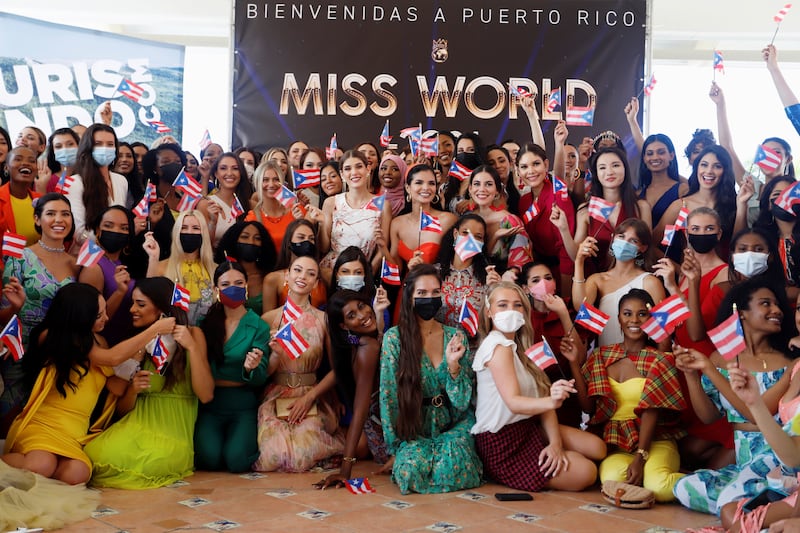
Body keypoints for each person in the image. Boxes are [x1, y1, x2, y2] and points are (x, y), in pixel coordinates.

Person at [2, 283, 175, 484]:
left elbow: (115, 387)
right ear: (80, 316)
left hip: (75, 433)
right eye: (99, 315)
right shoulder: (53, 336)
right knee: (41, 465)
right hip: (43, 425)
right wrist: (153, 330)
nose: (107, 318)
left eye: (105, 312)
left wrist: (138, 358)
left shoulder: (101, 342)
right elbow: (110, 359)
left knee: (77, 474)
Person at [673, 278, 796, 515]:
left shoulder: (790, 362)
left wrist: (709, 368)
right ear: (742, 314)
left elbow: (756, 412)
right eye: (766, 304)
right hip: (743, 461)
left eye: (778, 305)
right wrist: (691, 375)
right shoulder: (722, 358)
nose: (777, 311)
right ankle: (760, 502)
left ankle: (755, 502)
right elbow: (709, 416)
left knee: (729, 500)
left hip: (777, 455)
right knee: (685, 488)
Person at [471, 281, 603, 492]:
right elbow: (514, 403)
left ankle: (560, 455)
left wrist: (555, 443)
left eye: (517, 305)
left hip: (527, 428)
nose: (511, 311)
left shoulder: (522, 348)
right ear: (488, 311)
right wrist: (552, 400)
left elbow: (543, 403)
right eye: (502, 305)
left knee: (598, 448)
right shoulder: (497, 346)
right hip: (502, 442)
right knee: (586, 471)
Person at [83, 277, 213, 489]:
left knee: (150, 462)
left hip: (172, 430)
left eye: (140, 304)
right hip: (138, 423)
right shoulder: (139, 342)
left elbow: (206, 394)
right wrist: (133, 390)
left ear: (161, 308)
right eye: (133, 303)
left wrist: (192, 348)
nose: (132, 309)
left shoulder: (194, 334)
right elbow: (122, 408)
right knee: (93, 455)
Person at [564, 289, 686, 502]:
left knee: (658, 488)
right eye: (627, 314)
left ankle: (702, 480)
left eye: (642, 314)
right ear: (619, 319)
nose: (634, 320)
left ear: (651, 319)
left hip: (655, 441)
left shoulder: (659, 359)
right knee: (611, 480)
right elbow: (588, 408)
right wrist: (574, 362)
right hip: (618, 441)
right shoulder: (602, 355)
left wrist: (640, 457)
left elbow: (651, 411)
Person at [379, 264, 482, 494]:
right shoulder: (394, 339)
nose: (430, 298)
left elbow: (463, 401)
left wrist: (453, 366)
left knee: (452, 466)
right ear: (410, 297)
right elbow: (388, 398)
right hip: (416, 427)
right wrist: (396, 449)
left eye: (435, 293)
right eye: (422, 294)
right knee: (409, 471)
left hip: (453, 425)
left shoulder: (455, 336)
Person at [253, 255, 344, 472]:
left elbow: (337, 369)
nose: (303, 276)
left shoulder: (324, 320)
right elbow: (262, 373)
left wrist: (309, 397)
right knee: (273, 455)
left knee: (304, 452)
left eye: (311, 273)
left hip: (311, 395)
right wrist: (275, 355)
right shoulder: (268, 319)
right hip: (276, 396)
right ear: (287, 276)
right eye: (298, 270)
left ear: (316, 283)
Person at [1, 193, 78, 435]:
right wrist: (15, 307)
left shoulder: (77, 263)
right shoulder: (20, 259)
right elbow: (1, 317)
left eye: (65, 214)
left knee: (44, 426)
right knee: (10, 422)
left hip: (60, 354)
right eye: (51, 213)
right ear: (37, 219)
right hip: (21, 352)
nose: (59, 219)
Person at [195, 262, 269, 473]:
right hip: (210, 403)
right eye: (226, 284)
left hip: (242, 403)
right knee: (208, 459)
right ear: (216, 290)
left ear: (246, 286)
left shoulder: (258, 325)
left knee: (236, 460)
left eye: (239, 283)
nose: (233, 288)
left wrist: (249, 369)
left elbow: (260, 375)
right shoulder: (204, 324)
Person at [315, 290, 388, 488]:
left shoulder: (354, 342)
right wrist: (345, 470)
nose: (363, 315)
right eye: (351, 316)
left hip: (380, 428)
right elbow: (361, 408)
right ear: (343, 325)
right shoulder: (367, 347)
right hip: (387, 435)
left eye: (362, 306)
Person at [573, 218, 664, 346]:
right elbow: (580, 306)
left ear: (642, 248)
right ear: (613, 239)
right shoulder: (597, 280)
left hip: (640, 359)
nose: (625, 243)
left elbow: (662, 330)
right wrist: (579, 262)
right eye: (621, 236)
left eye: (633, 240)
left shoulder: (650, 282)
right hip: (606, 358)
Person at [567, 147, 652, 275]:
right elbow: (576, 256)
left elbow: (648, 248)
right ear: (596, 173)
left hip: (632, 278)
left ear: (625, 169)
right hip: (595, 279)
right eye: (602, 167)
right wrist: (563, 228)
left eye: (615, 165)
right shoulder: (586, 210)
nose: (609, 172)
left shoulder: (640, 207)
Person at [317, 150, 391, 273]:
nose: (354, 172)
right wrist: (321, 223)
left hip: (363, 274)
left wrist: (367, 276)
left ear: (368, 169)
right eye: (347, 168)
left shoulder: (383, 205)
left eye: (359, 166)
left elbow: (381, 251)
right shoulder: (331, 203)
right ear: (342, 174)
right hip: (330, 273)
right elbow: (324, 247)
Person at [657, 145, 737, 258]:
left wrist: (742, 205)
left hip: (724, 272)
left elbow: (738, 245)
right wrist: (678, 269)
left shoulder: (733, 204)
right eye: (704, 165)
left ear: (725, 171)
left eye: (717, 166)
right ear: (697, 168)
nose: (709, 171)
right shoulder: (680, 205)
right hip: (687, 272)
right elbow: (651, 245)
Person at [517, 141, 576, 293]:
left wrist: (566, 292)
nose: (530, 171)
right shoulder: (524, 202)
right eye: (524, 167)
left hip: (563, 274)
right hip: (537, 276)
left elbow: (566, 251)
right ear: (518, 170)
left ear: (546, 165)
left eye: (536, 164)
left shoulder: (558, 197)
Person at [78, 206, 137, 345]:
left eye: (124, 228)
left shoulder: (119, 262)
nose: (116, 231)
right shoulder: (94, 266)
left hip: (122, 341)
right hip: (103, 346)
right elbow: (91, 320)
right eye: (108, 226)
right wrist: (120, 292)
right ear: (98, 230)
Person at [149, 210, 216, 325]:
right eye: (184, 227)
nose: (189, 232)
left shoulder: (215, 270)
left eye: (196, 228)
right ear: (176, 232)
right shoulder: (161, 267)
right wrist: (153, 259)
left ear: (203, 233)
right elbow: (149, 297)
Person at [435, 214, 501, 332]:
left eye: (478, 236)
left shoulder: (488, 278)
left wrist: (495, 289)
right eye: (465, 233)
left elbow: (494, 319)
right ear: (456, 234)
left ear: (482, 242)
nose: (471, 240)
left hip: (473, 347)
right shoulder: (434, 273)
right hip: (438, 344)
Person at [66, 124, 129, 246]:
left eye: (110, 144)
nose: (105, 149)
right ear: (88, 147)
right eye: (98, 144)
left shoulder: (121, 181)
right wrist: (106, 244)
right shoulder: (75, 183)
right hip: (88, 256)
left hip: (117, 255)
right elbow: (79, 232)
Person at [389, 164, 456, 270]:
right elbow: (395, 268)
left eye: (431, 183)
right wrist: (382, 247)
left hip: (436, 283)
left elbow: (455, 261)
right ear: (408, 187)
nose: (426, 188)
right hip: (407, 284)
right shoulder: (397, 223)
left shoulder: (448, 220)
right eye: (419, 182)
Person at [468, 165, 532, 274]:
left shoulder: (510, 220)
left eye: (488, 184)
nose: (482, 189)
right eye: (477, 184)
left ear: (497, 190)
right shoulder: (466, 220)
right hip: (472, 284)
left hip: (504, 283)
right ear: (470, 189)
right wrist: (495, 236)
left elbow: (523, 262)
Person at [262, 219, 327, 312]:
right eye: (301, 237)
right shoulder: (273, 279)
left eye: (311, 238)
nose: (307, 242)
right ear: (289, 242)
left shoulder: (325, 275)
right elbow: (267, 319)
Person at [213, 221, 276, 314]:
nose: (251, 242)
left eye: (257, 238)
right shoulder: (221, 273)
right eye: (244, 237)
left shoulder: (270, 277)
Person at [245, 160, 300, 252]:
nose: (271, 184)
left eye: (276, 179)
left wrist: (301, 221)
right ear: (257, 183)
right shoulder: (252, 218)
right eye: (265, 180)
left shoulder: (296, 210)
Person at [637, 134, 688, 227]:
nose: (655, 157)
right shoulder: (638, 193)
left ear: (671, 155)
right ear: (644, 158)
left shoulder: (682, 190)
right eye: (650, 153)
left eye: (661, 152)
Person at [205, 152, 252, 247]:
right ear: (216, 173)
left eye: (235, 168)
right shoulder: (206, 204)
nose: (229, 173)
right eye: (223, 168)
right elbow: (202, 246)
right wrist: (212, 223)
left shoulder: (251, 205)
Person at [0, 146, 41, 248]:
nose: (26, 163)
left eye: (32, 161)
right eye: (18, 159)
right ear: (6, 167)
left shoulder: (41, 200)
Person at [39, 128, 80, 195]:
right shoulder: (47, 181)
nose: (65, 149)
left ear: (79, 146)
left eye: (70, 144)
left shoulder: (90, 175)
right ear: (53, 152)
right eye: (58, 146)